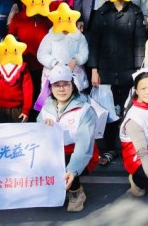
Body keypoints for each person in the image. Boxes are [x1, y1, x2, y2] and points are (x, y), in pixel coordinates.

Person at [87, 0, 148, 165]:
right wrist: (94, 69)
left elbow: (140, 42)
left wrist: (139, 70)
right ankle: (109, 150)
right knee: (107, 113)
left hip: (128, 70)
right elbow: (94, 42)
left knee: (127, 111)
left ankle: (128, 148)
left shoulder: (135, 11)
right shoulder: (102, 12)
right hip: (105, 71)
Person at [38, 64, 100, 212]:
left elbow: (83, 146)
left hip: (79, 154)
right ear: (50, 88)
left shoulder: (85, 110)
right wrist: (43, 126)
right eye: (56, 85)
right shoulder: (45, 108)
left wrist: (72, 170)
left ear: (73, 85)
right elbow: (37, 137)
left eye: (65, 84)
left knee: (64, 163)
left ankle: (76, 191)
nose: (61, 89)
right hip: (55, 151)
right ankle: (55, 187)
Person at [120, 71, 148, 203]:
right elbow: (143, 154)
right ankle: (137, 180)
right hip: (139, 157)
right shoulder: (134, 119)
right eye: (143, 88)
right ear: (136, 91)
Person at [37, 6, 90, 92]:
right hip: (54, 72)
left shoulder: (79, 37)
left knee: (74, 93)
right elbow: (42, 54)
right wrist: (54, 63)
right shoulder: (50, 37)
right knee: (55, 93)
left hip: (74, 71)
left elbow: (84, 53)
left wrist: (76, 59)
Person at [0, 35, 34, 123]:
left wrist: (26, 110)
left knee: (17, 131)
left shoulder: (23, 69)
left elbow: (28, 91)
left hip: (18, 110)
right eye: (6, 50)